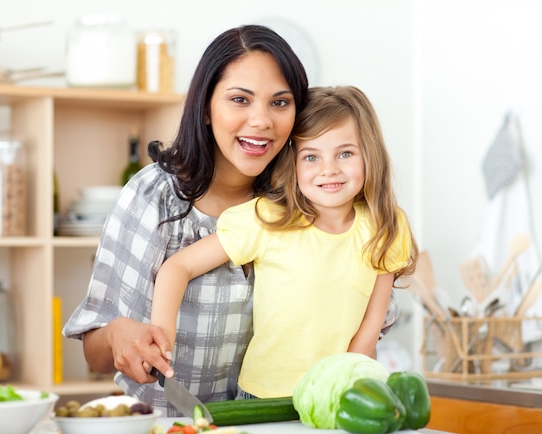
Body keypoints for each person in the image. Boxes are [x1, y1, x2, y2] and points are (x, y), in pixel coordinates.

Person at [62, 26, 399, 416]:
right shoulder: (154, 198)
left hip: (277, 421)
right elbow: (96, 354)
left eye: (280, 102)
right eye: (240, 99)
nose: (261, 121)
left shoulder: (307, 205)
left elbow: (362, 324)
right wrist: (120, 334)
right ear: (205, 108)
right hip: (166, 422)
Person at [151, 85, 419, 399]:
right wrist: (162, 336)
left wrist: (345, 384)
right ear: (292, 162)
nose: (329, 169)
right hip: (264, 395)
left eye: (345, 153)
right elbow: (178, 266)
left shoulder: (385, 225)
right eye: (311, 156)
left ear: (369, 154)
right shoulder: (267, 219)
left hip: (338, 395)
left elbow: (371, 327)